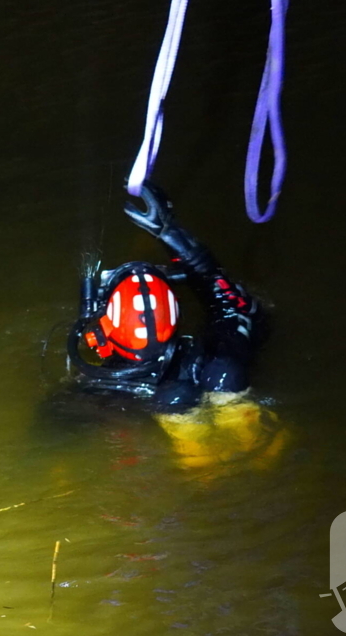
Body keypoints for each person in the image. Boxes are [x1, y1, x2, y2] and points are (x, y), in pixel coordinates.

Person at [66, 181, 285, 474]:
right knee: (225, 376)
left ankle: (196, 452)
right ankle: (242, 425)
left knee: (176, 400)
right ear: (175, 314)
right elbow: (232, 304)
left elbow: (52, 440)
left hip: (157, 430)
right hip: (227, 391)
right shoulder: (213, 356)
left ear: (101, 335)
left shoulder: (95, 387)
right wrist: (171, 233)